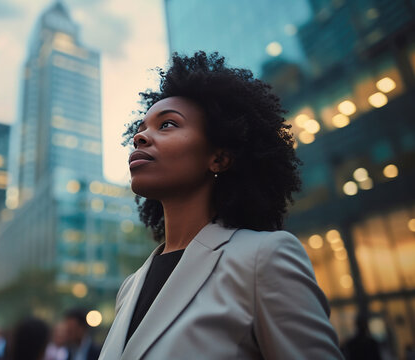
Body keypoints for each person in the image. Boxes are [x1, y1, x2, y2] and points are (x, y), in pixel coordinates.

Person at [98, 51, 344, 359]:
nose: (141, 137)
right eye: (141, 128)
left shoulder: (263, 258)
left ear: (219, 157)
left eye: (167, 125)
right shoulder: (130, 287)